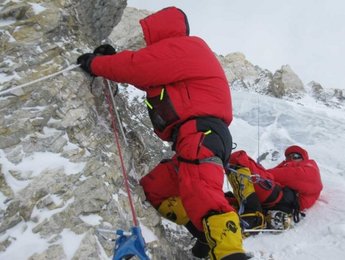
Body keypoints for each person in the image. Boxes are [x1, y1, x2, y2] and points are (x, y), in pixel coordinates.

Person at [77, 7, 248, 260]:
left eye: (148, 36)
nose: (146, 41)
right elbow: (148, 74)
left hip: (200, 133)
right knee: (155, 188)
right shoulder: (177, 55)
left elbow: (138, 68)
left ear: (159, 30)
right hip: (196, 138)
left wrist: (96, 64)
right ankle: (204, 233)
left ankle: (230, 254)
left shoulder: (186, 47)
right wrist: (113, 59)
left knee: (203, 194)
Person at [227, 145, 323, 231]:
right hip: (275, 197)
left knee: (240, 159)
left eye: (296, 156)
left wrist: (265, 174)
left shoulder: (310, 168)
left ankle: (251, 215)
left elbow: (295, 176)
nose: (291, 158)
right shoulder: (284, 167)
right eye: (288, 157)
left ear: (304, 159)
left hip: (282, 199)